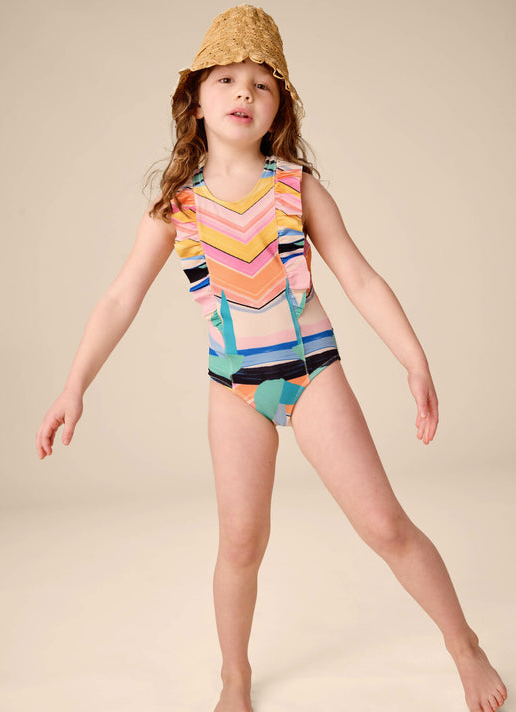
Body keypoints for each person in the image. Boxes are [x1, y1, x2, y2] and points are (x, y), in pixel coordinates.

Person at [36, 5, 507, 712]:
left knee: (384, 525)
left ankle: (463, 644)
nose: (244, 93)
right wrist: (75, 385)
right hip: (234, 388)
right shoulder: (177, 208)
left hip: (312, 374)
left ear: (278, 106)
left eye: (261, 83)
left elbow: (359, 278)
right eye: (226, 80)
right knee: (240, 544)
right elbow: (118, 299)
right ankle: (234, 676)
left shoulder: (297, 187)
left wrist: (414, 360)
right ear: (196, 101)